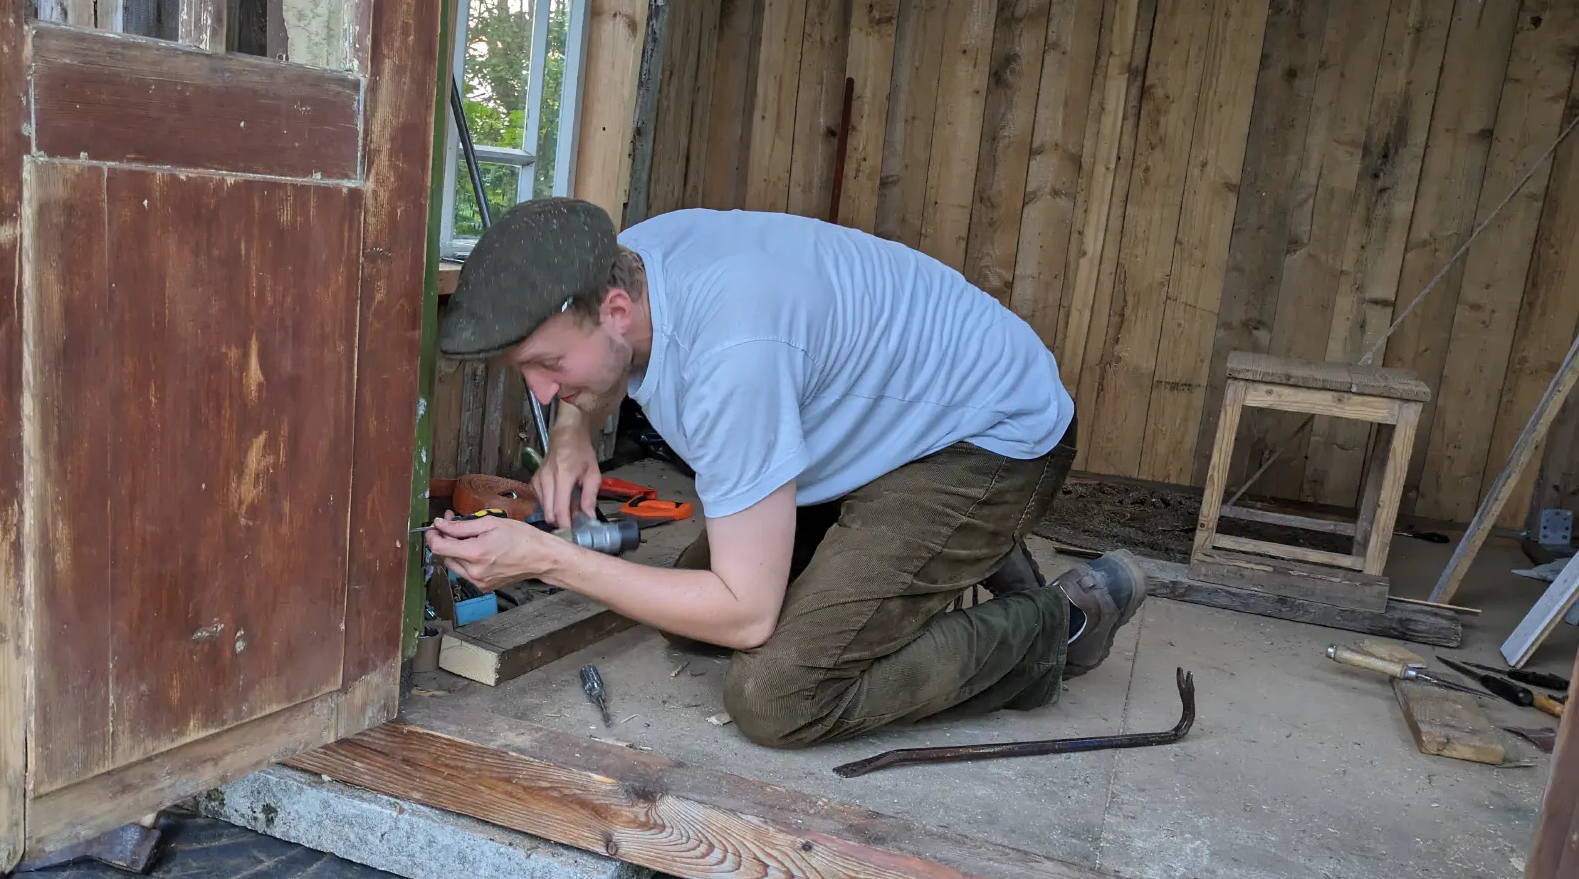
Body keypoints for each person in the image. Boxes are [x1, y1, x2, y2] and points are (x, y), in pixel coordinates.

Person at [425, 197, 1147, 748]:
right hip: (887, 425)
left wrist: (550, 560)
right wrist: (572, 432)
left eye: (550, 369)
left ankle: (1060, 623)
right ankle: (941, 554)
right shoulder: (627, 262)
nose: (544, 394)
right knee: (690, 620)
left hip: (988, 442)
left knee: (780, 695)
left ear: (616, 309)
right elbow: (590, 362)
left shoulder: (730, 358)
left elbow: (746, 611)